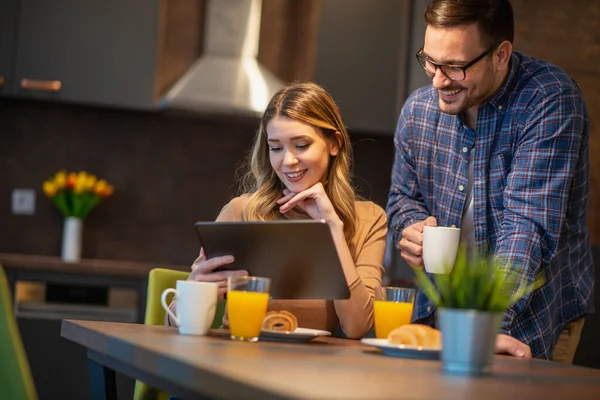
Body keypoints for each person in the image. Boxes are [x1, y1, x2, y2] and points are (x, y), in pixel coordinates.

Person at [386, 0, 594, 361]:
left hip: (535, 319)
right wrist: (411, 228)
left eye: (454, 67)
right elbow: (403, 197)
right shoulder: (418, 112)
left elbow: (527, 227)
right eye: (431, 62)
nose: (438, 80)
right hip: (442, 314)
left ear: (500, 55)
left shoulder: (549, 99)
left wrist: (486, 327)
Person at [168, 82, 387, 339]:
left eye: (302, 145)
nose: (287, 161)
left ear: (334, 144)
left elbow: (358, 327)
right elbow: (173, 323)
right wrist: (194, 290)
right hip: (236, 361)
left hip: (314, 373)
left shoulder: (368, 219)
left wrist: (332, 228)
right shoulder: (242, 212)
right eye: (276, 147)